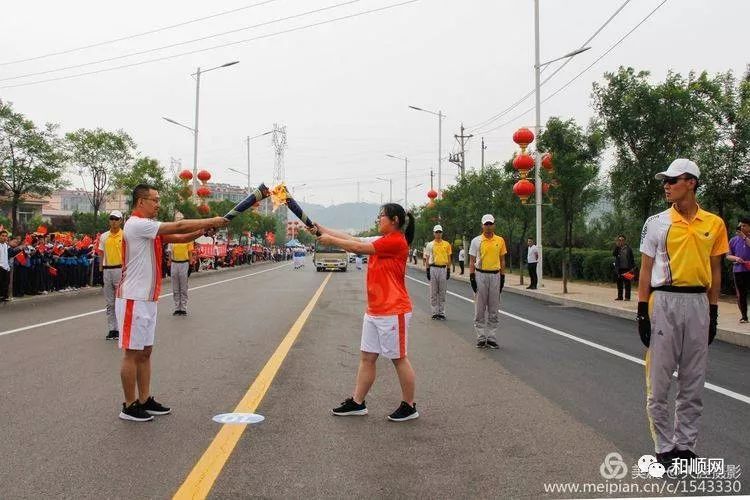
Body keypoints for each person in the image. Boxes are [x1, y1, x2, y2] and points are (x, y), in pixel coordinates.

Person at [637, 159, 728, 467]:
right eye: (666, 180)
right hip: (663, 301)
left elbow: (716, 272)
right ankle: (664, 446)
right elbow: (646, 269)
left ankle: (685, 446)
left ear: (691, 182)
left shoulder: (714, 223)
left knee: (693, 380)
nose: (667, 185)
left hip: (698, 303)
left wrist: (713, 312)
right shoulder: (656, 222)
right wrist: (641, 310)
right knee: (659, 380)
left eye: (673, 180)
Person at [116, 184, 227, 422]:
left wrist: (203, 230)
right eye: (154, 200)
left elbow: (180, 236)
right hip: (132, 298)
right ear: (140, 202)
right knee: (132, 353)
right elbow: (178, 225)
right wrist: (212, 219)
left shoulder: (149, 229)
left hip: (147, 298)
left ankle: (145, 400)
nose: (158, 204)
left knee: (145, 352)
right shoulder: (136, 224)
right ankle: (129, 405)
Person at [316, 203, 419, 422]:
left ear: (395, 221)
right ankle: (357, 402)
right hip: (375, 310)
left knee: (398, 359)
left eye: (382, 216)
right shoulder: (381, 240)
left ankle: (409, 406)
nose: (378, 219)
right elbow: (354, 240)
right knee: (367, 358)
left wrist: (331, 240)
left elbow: (358, 249)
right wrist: (321, 228)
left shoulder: (395, 241)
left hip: (394, 310)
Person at [469, 214, 507, 349]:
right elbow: (472, 261)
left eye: (491, 224)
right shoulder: (476, 241)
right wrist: (472, 276)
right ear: (482, 225)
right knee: (480, 308)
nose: (488, 226)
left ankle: (491, 337)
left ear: (494, 225)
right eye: (486, 224)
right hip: (480, 275)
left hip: (495, 275)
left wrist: (502, 276)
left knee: (493, 308)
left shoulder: (500, 240)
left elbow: (502, 259)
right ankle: (480, 337)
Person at [98, 210, 124, 340]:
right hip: (107, 270)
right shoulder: (104, 236)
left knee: (120, 301)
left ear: (121, 221)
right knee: (110, 302)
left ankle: (120, 328)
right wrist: (100, 271)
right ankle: (112, 329)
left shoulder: (124, 236)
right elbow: (101, 254)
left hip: (120, 270)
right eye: (111, 218)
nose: (113, 221)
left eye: (116, 219)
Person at [424, 224, 451, 320]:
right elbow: (427, 258)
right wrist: (427, 270)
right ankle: (434, 312)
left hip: (443, 268)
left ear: (442, 233)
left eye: (440, 232)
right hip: (433, 269)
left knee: (442, 292)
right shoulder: (430, 245)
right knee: (433, 292)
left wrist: (448, 270)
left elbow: (448, 258)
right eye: (436, 232)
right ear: (434, 233)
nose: (438, 234)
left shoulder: (447, 244)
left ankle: (441, 312)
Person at [727, 216, 750, 323]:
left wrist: (744, 237)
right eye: (740, 225)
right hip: (739, 270)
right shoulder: (733, 240)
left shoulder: (747, 239)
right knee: (741, 294)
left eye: (744, 225)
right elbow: (728, 255)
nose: (741, 227)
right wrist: (736, 258)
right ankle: (744, 316)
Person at [613, 234, 635, 301]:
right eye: (619, 240)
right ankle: (620, 297)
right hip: (619, 268)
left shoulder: (628, 249)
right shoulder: (617, 248)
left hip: (627, 268)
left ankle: (627, 297)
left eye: (622, 240)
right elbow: (614, 254)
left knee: (627, 283)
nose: (621, 241)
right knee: (619, 283)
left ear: (625, 241)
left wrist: (632, 267)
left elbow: (632, 258)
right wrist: (617, 246)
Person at [0, 230, 9, 302]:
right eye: (2, 236)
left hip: (6, 267)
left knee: (5, 283)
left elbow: (6, 256)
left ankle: (4, 296)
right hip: (0, 267)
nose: (4, 237)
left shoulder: (6, 245)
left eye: (5, 236)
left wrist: (7, 266)